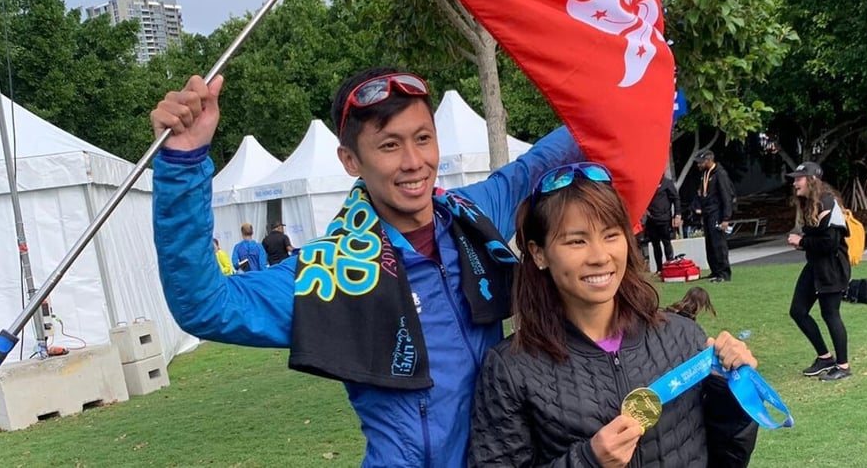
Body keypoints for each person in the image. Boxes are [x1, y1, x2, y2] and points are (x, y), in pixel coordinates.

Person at [149, 67, 583, 467]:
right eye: (389, 145)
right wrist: (183, 164)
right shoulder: (330, 274)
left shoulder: (473, 216)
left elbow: (544, 160)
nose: (413, 162)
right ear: (350, 161)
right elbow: (206, 305)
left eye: (423, 138)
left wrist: (633, 83)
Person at [470, 163, 758, 468]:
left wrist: (733, 392)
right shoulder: (511, 368)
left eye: (610, 235)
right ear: (539, 253)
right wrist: (587, 460)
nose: (600, 256)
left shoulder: (683, 338)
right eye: (576, 241)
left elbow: (728, 458)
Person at [785, 161, 852, 381]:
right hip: (815, 266)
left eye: (798, 178)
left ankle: (843, 366)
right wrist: (803, 242)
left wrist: (802, 242)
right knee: (798, 311)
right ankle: (825, 357)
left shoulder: (828, 203)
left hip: (832, 268)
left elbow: (830, 243)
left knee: (830, 314)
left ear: (812, 180)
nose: (795, 183)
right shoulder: (810, 203)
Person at [692, 150, 735, 282]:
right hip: (707, 213)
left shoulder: (720, 174)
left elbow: (726, 196)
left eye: (701, 162)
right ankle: (715, 270)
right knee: (710, 243)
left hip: (717, 213)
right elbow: (701, 192)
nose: (698, 165)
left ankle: (724, 273)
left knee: (718, 244)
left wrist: (726, 218)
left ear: (709, 160)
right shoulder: (704, 174)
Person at [642, 174, 681, 274]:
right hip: (652, 219)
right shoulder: (648, 183)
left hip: (664, 218)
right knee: (655, 245)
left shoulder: (666, 182)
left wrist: (677, 215)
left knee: (666, 242)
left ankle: (670, 266)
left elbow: (676, 198)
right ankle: (659, 269)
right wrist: (645, 209)